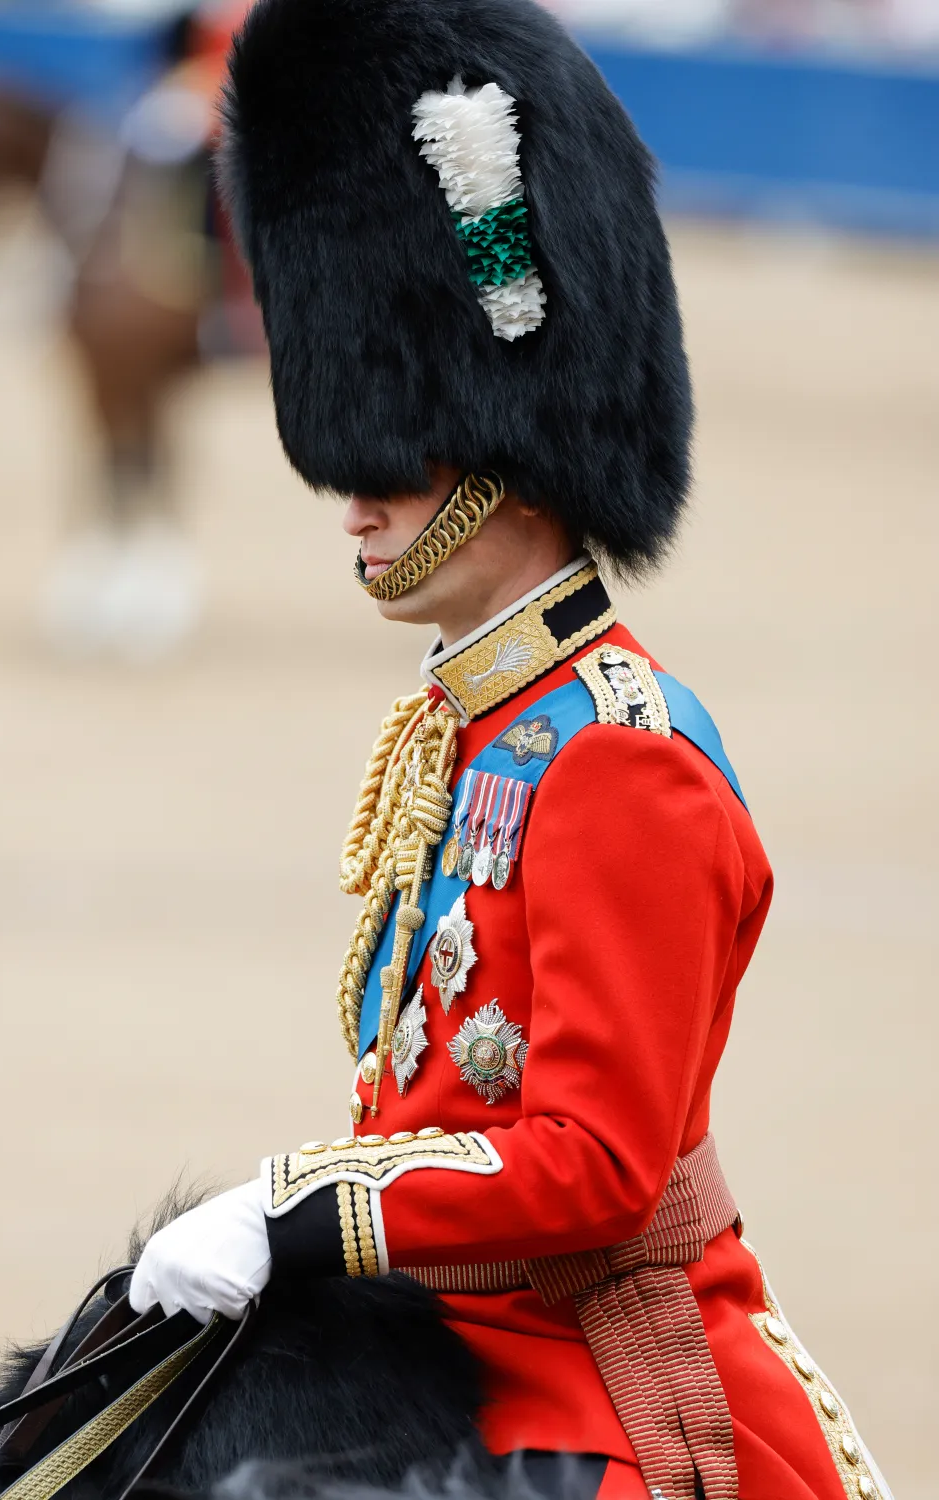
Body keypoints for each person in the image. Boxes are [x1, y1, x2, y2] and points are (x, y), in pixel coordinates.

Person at [130, 1, 893, 1497]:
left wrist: (300, 1214)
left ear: (509, 461)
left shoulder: (617, 755)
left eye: (390, 457)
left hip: (598, 1373)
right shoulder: (471, 724)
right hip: (443, 1328)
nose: (352, 499)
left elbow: (596, 1168)